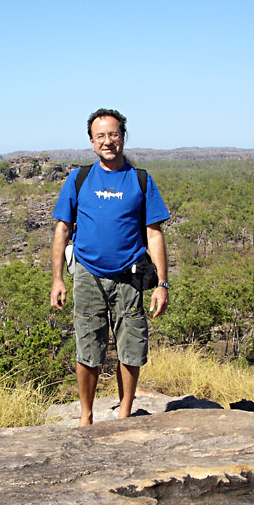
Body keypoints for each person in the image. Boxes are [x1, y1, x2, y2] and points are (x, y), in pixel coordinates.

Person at [50, 108, 170, 426]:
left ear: (123, 137)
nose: (108, 141)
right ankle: (86, 417)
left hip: (129, 276)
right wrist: (57, 280)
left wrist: (162, 283)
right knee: (88, 348)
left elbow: (154, 233)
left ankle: (126, 414)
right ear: (91, 142)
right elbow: (62, 230)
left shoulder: (140, 180)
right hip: (88, 274)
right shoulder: (79, 179)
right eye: (100, 135)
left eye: (113, 134)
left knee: (131, 347)